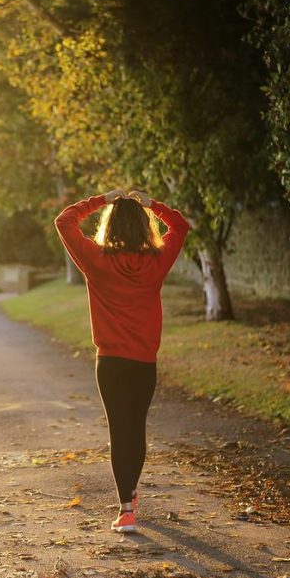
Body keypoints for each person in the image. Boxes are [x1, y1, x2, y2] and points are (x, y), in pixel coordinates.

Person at [54, 188, 190, 533]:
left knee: (120, 430)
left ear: (109, 226)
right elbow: (180, 225)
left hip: (111, 362)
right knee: (136, 428)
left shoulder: (96, 260)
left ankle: (126, 509)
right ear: (145, 227)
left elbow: (64, 220)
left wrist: (102, 199)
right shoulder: (157, 261)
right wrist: (152, 204)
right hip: (144, 362)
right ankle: (130, 493)